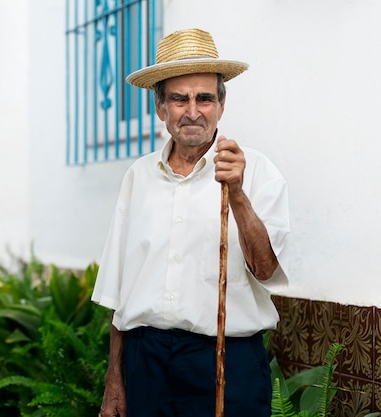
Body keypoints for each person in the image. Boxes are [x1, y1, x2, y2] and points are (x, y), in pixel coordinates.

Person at [91, 28, 290, 417]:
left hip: (228, 363)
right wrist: (114, 380)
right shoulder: (139, 177)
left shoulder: (257, 171)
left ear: (221, 104)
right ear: (160, 106)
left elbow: (266, 270)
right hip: (146, 363)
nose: (193, 111)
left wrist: (237, 194)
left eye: (205, 98)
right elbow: (119, 290)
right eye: (180, 99)